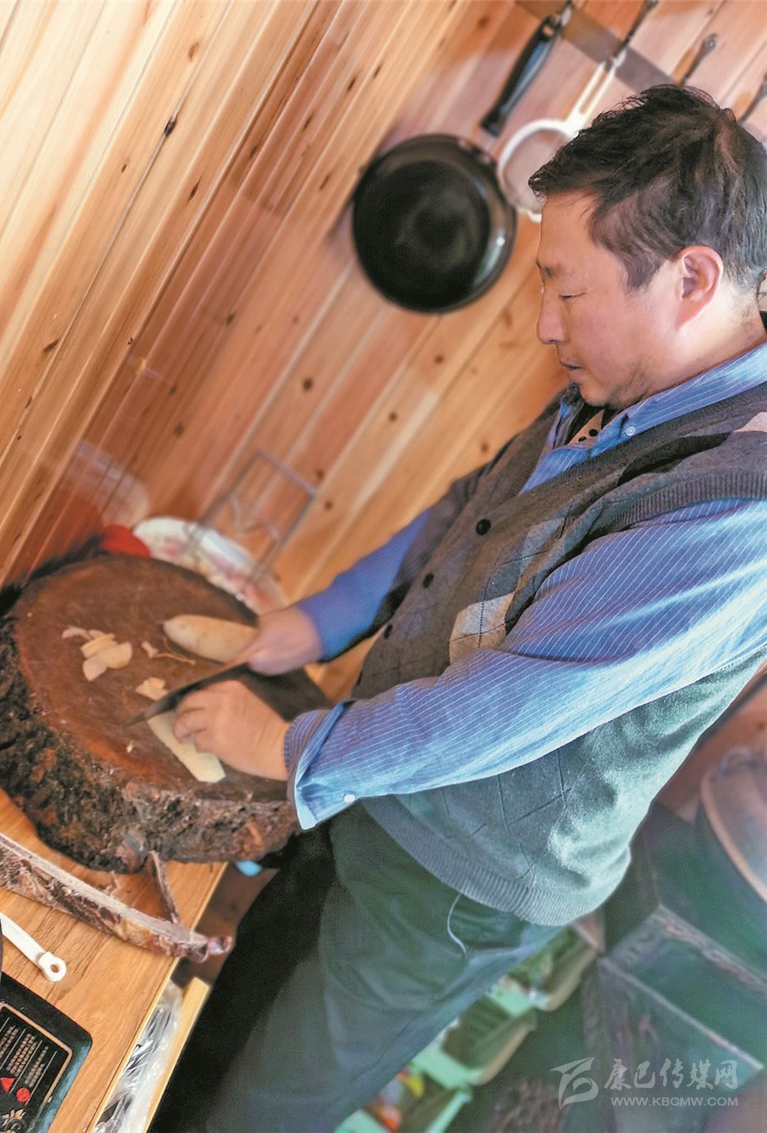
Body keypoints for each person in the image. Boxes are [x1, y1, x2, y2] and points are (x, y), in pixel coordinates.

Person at [151, 85, 767, 1133]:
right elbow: (474, 507)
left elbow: (513, 701)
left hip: (458, 881)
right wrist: (320, 620)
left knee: (262, 1106)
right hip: (377, 776)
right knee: (217, 1026)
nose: (543, 323)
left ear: (691, 279)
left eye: (565, 290)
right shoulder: (633, 373)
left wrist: (290, 746)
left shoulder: (734, 509)